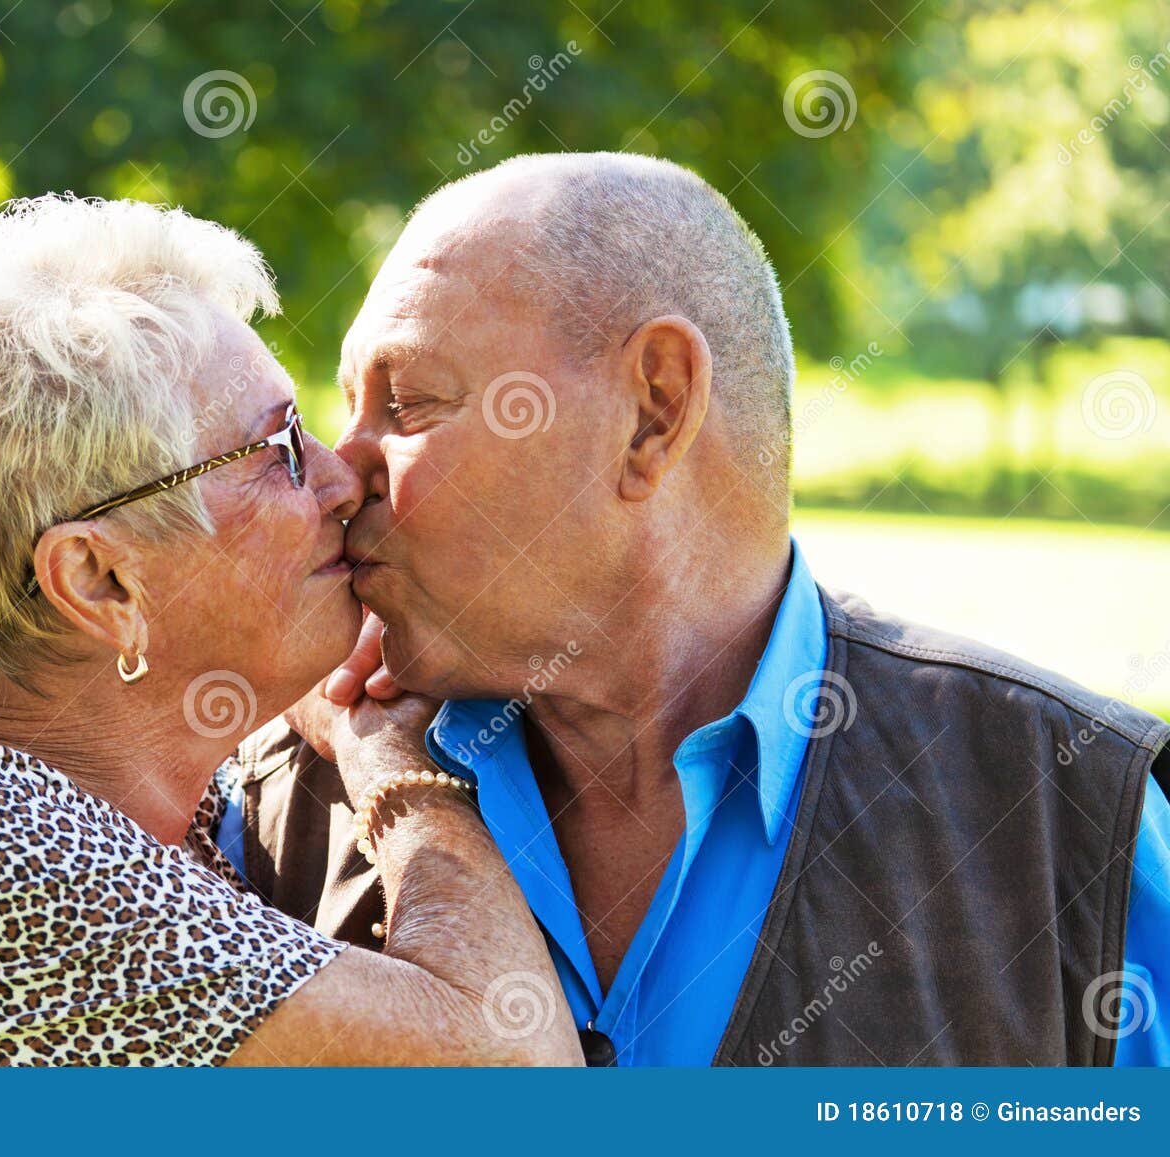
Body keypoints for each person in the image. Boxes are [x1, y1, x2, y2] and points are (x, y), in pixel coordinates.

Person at [225, 153, 1170, 1066]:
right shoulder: (277, 805)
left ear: (655, 410)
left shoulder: (1071, 814)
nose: (342, 472)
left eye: (409, 402)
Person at [0, 194, 581, 1067]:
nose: (341, 478)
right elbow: (511, 1071)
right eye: (277, 449)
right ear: (99, 579)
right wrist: (396, 765)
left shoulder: (131, 810)